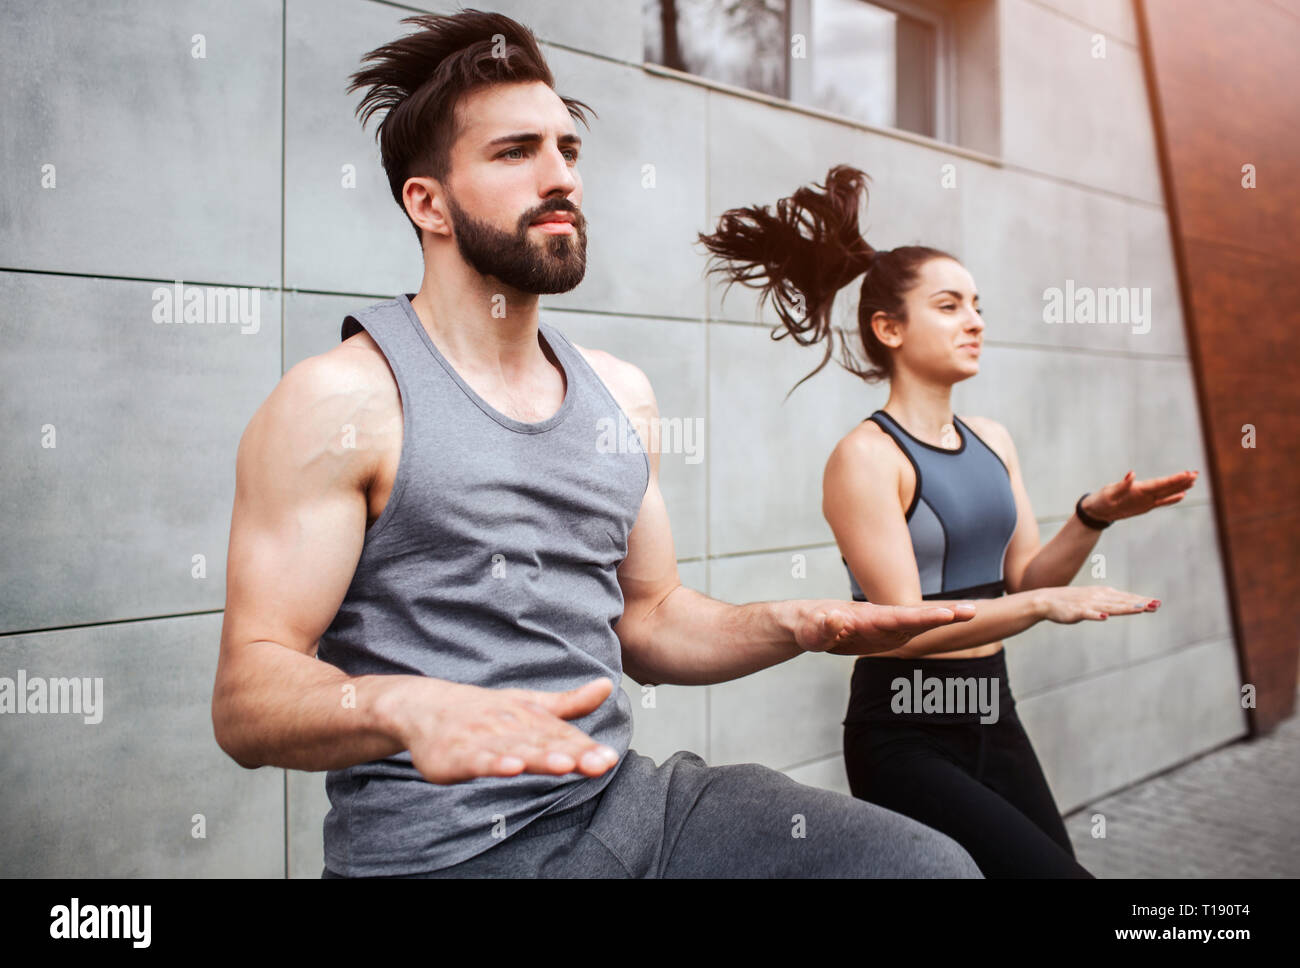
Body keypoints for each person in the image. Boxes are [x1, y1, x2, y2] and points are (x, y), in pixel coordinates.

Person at [210, 12, 984, 879]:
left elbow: (648, 618)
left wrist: (790, 623)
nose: (560, 177)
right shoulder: (342, 399)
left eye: (568, 150)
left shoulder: (620, 393)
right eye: (515, 153)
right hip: (444, 856)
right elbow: (247, 695)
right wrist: (404, 707)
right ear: (426, 202)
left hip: (624, 803)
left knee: (927, 869)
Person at [697, 165, 1197, 877]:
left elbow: (1026, 576)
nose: (976, 321)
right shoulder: (866, 457)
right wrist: (1041, 606)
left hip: (995, 712)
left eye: (978, 305)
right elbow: (900, 628)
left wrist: (1091, 517)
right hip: (905, 734)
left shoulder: (993, 438)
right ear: (888, 327)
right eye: (950, 305)